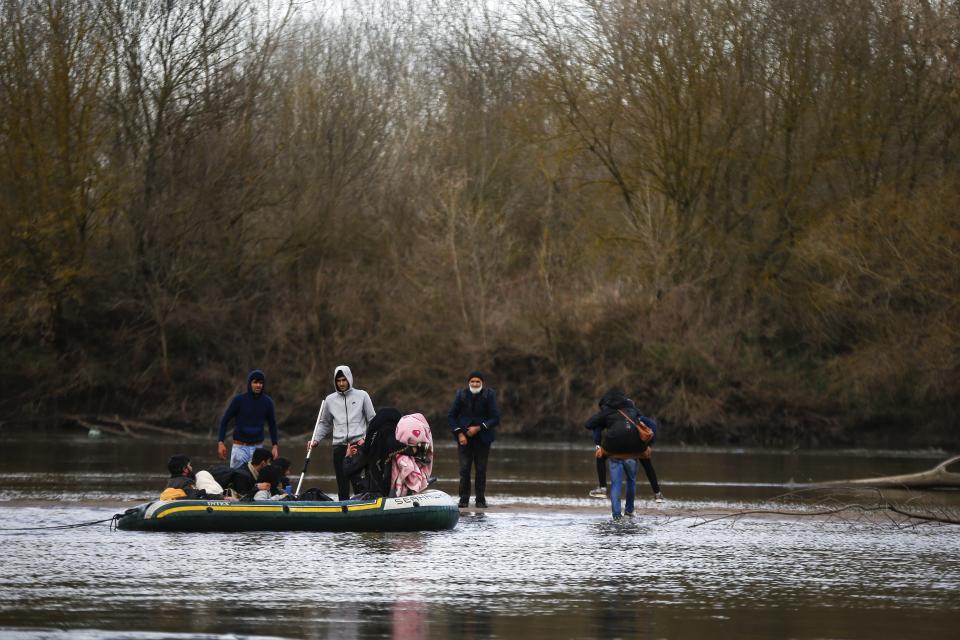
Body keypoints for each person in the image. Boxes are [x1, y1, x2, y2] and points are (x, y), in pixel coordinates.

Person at [308, 365, 376, 500]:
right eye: (338, 380)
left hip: (358, 445)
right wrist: (316, 439)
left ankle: (364, 509)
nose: (341, 383)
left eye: (344, 380)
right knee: (342, 485)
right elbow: (324, 423)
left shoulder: (362, 395)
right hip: (339, 446)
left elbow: (373, 420)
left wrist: (367, 439)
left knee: (359, 483)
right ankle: (344, 510)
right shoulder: (330, 400)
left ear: (349, 379)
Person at [585, 388, 652, 519]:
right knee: (631, 481)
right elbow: (646, 425)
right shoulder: (633, 410)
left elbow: (588, 424)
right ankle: (629, 511)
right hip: (633, 451)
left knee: (616, 483)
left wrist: (601, 424)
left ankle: (616, 515)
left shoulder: (608, 412)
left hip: (614, 452)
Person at [447, 370, 500, 509]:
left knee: (481, 469)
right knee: (464, 470)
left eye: (477, 381)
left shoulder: (489, 395)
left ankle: (480, 500)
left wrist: (479, 428)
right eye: (472, 381)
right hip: (464, 439)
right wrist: (460, 434)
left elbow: (495, 418)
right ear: (468, 382)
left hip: (483, 438)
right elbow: (451, 416)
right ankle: (463, 499)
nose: (475, 384)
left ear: (482, 383)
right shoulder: (461, 395)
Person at [217, 369, 279, 467]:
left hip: (258, 449)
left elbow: (272, 425)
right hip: (240, 447)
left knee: (255, 480)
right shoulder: (239, 400)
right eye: (255, 382)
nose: (258, 385)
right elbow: (224, 421)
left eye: (261, 383)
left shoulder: (268, 402)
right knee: (237, 478)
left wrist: (275, 445)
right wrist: (221, 442)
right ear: (250, 383)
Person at [160, 454, 234, 501]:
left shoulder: (170, 482)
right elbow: (196, 496)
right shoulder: (187, 481)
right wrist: (223, 498)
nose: (191, 468)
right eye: (189, 465)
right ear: (185, 469)